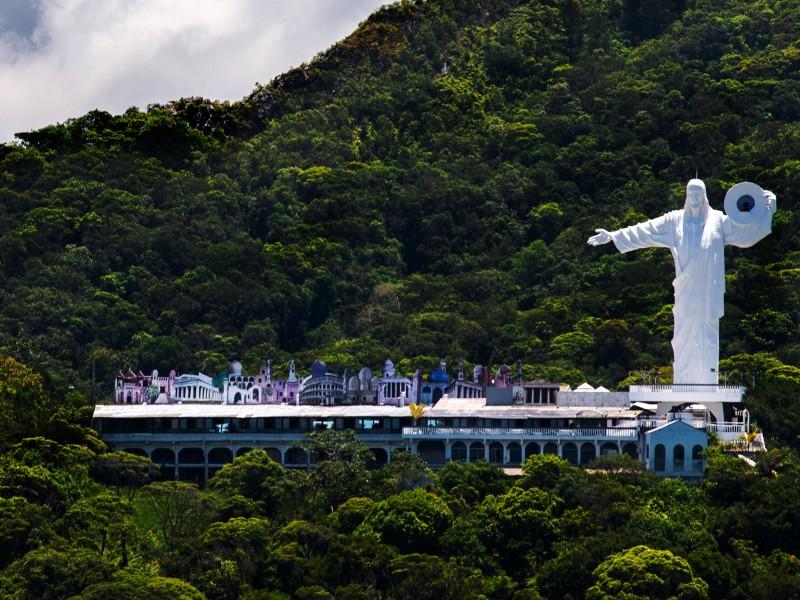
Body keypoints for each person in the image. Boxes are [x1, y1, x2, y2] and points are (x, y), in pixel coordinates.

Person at [587, 179, 776, 384]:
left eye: (698, 193)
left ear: (704, 196)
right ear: (686, 195)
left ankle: (707, 381)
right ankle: (684, 379)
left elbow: (745, 233)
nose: (694, 197)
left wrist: (766, 208)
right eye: (691, 193)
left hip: (707, 291)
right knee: (683, 334)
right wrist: (614, 236)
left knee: (707, 333)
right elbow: (646, 230)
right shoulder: (673, 221)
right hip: (686, 290)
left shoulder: (719, 221)